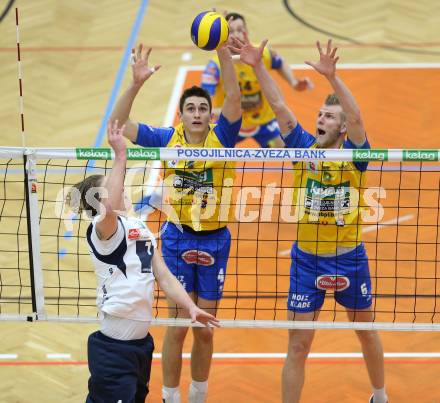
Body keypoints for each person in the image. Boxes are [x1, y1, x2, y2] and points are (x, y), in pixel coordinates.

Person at [230, 34, 388, 403]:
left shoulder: (355, 155)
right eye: (319, 113)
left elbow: (359, 117)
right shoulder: (302, 148)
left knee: (366, 331)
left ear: (343, 127)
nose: (320, 118)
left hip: (349, 257)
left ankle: (380, 395)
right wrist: (256, 65)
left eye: (330, 116)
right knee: (298, 344)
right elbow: (280, 104)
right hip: (306, 260)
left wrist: (333, 77)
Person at [110, 43, 242, 403]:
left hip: (216, 241)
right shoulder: (168, 139)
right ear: (181, 116)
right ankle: (170, 396)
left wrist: (224, 54)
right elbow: (118, 125)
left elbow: (234, 95)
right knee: (177, 326)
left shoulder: (224, 139)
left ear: (210, 115)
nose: (197, 113)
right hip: (178, 241)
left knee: (204, 330)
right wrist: (136, 84)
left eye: (203, 108)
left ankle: (198, 395)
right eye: (190, 108)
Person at [67, 120, 219, 403]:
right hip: (113, 350)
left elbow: (164, 276)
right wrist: (120, 156)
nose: (121, 187)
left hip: (140, 346)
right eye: (112, 187)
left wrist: (191, 307)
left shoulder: (140, 227)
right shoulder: (104, 232)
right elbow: (109, 206)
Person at [201, 12, 313, 148]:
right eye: (230, 31)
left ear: (246, 31)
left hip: (264, 121)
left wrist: (293, 82)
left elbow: (279, 62)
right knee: (214, 153)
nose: (236, 35)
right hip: (232, 122)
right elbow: (204, 97)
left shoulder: (260, 53)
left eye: (240, 30)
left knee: (288, 149)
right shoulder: (215, 66)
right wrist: (217, 111)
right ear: (223, 34)